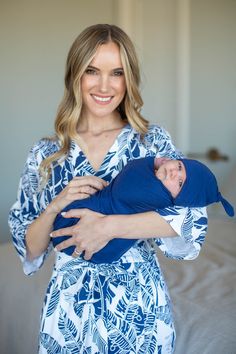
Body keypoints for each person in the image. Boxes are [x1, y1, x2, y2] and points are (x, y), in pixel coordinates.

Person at [9, 24, 210, 353]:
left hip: (139, 312)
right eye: (92, 71)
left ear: (128, 79)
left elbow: (190, 217)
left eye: (116, 72)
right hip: (68, 314)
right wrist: (55, 205)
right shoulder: (45, 154)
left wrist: (109, 226)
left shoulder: (152, 142)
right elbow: (30, 249)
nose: (104, 85)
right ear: (76, 75)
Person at [52, 156, 234, 263]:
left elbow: (193, 220)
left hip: (104, 247)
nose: (174, 173)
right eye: (179, 166)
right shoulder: (156, 166)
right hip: (77, 215)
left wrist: (107, 226)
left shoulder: (163, 198)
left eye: (180, 183)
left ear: (179, 200)